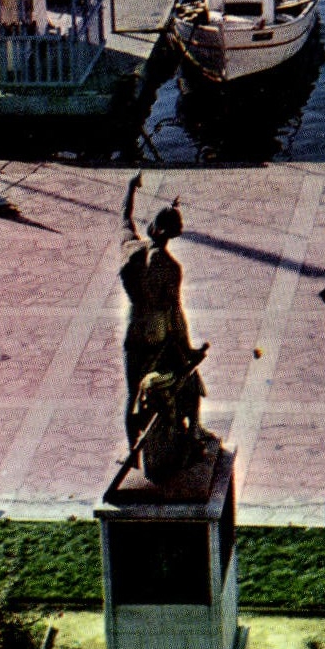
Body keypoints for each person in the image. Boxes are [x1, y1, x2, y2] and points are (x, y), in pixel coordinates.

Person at [119, 175, 208, 458]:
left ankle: (134, 447)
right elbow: (176, 314)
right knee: (189, 381)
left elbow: (124, 219)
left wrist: (131, 189)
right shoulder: (171, 268)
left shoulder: (131, 250)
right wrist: (189, 349)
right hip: (159, 335)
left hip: (134, 334)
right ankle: (192, 430)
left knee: (133, 395)